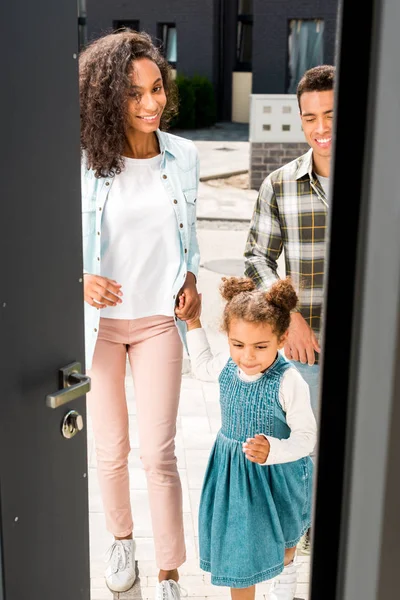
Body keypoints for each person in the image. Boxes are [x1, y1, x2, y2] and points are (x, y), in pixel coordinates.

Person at [79, 30, 201, 596]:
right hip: (100, 328)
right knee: (110, 448)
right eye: (134, 93)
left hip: (158, 322)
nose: (151, 103)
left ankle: (170, 572)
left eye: (157, 89)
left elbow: (188, 239)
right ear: (109, 97)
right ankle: (122, 543)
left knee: (159, 452)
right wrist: (80, 280)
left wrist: (193, 279)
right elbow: (53, 245)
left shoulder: (185, 157)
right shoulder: (84, 164)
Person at [244, 64, 335, 554]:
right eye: (311, 117)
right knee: (305, 445)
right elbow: (256, 256)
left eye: (331, 115)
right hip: (307, 346)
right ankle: (302, 530)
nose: (321, 128)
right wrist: (291, 315)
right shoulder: (279, 184)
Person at [183, 277, 317, 600]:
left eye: (261, 347)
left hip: (279, 477)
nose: (248, 357)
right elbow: (201, 365)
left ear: (282, 339)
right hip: (235, 478)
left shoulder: (288, 381)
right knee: (240, 556)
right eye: (238, 344)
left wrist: (273, 449)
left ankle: (285, 583)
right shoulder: (229, 366)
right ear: (228, 338)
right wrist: (193, 321)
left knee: (284, 548)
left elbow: (307, 438)